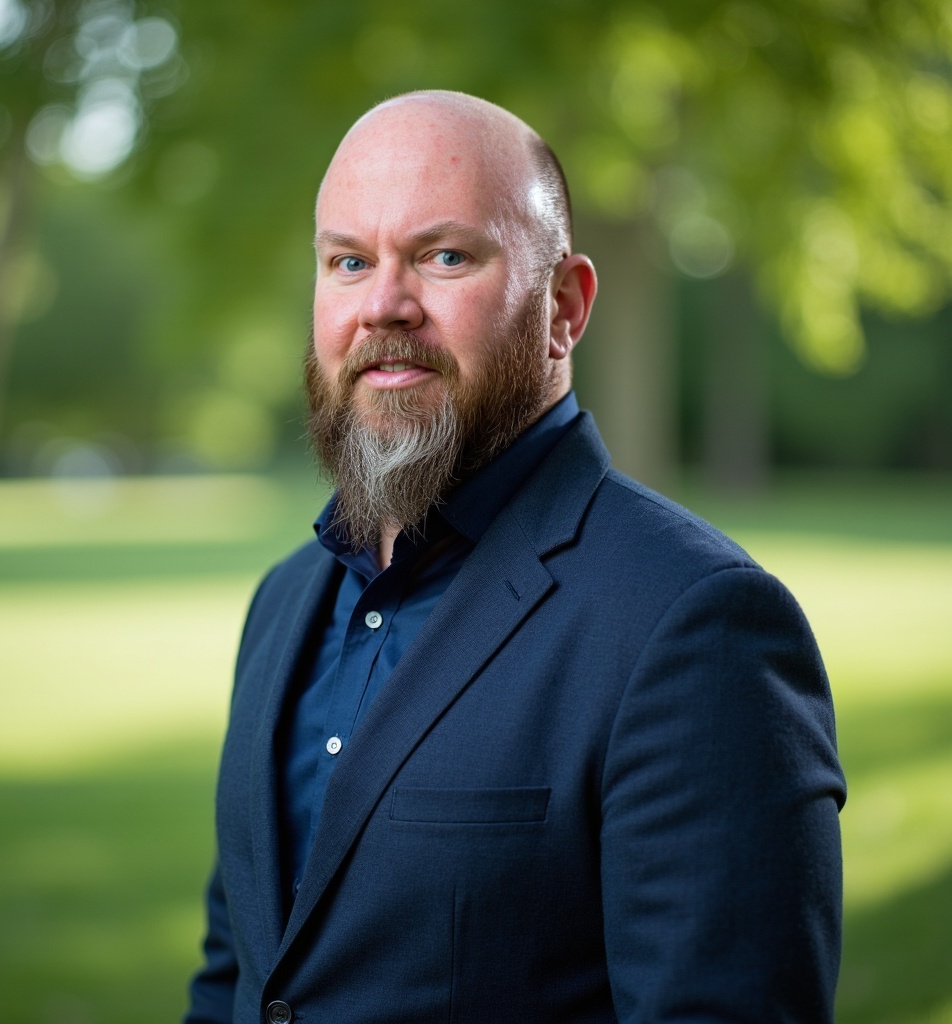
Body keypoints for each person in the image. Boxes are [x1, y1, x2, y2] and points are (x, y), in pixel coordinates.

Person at [185, 90, 845, 1024]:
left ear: (563, 309)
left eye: (445, 256)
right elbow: (238, 980)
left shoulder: (694, 623)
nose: (384, 305)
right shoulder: (283, 605)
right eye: (348, 261)